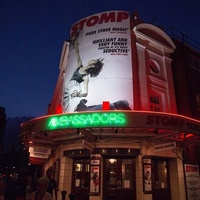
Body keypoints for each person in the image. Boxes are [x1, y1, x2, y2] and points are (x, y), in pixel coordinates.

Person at [62, 32, 104, 113]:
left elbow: (85, 93)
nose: (92, 59)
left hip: (73, 95)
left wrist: (78, 94)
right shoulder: (80, 66)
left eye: (94, 61)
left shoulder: (85, 77)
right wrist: (75, 42)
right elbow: (77, 53)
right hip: (68, 93)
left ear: (93, 66)